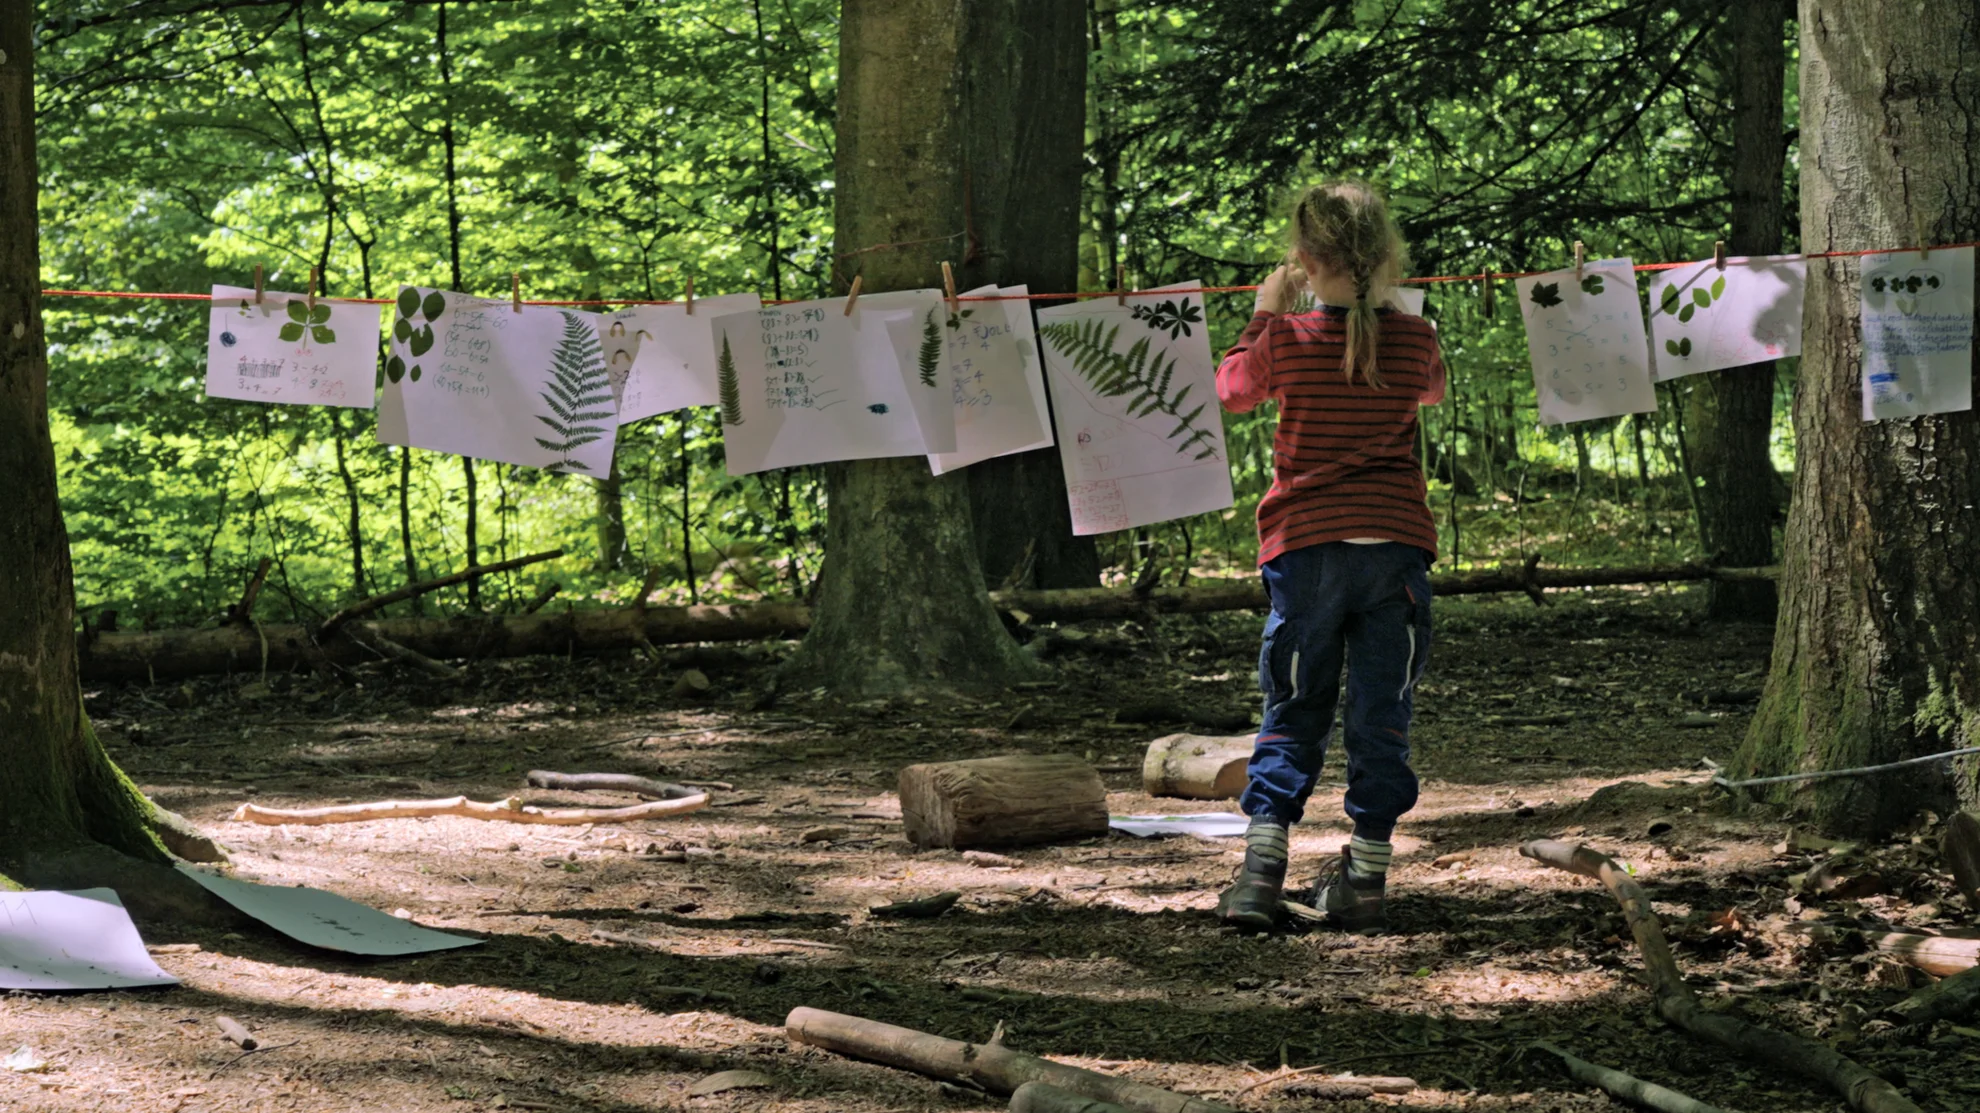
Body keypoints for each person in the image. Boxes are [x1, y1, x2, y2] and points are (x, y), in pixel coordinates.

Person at [1213, 180, 1445, 935]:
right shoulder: (1416, 337)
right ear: (1386, 258)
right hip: (1393, 552)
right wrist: (1397, 309)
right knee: (1383, 715)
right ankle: (1367, 878)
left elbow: (1233, 390)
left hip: (1306, 549)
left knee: (1295, 705)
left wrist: (1263, 311)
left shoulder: (1283, 338)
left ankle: (1258, 875)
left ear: (1305, 261)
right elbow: (1431, 389)